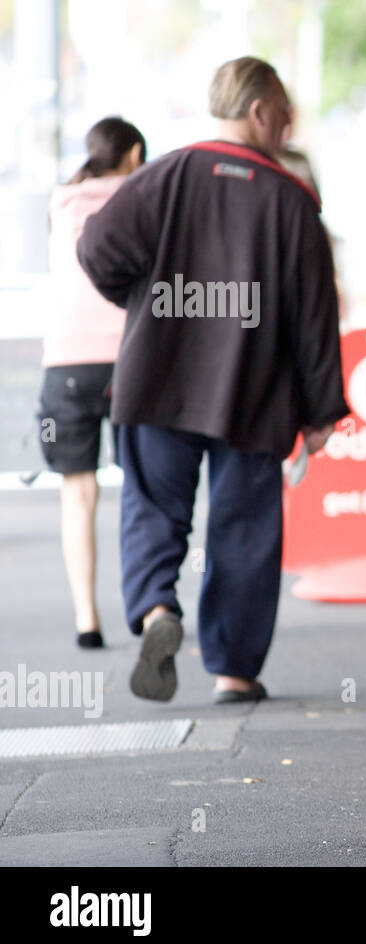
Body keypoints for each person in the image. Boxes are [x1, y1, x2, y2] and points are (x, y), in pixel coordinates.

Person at [78, 56, 348, 704]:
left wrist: (148, 303)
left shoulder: (164, 175)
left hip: (157, 378)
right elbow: (315, 317)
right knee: (245, 527)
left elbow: (96, 250)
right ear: (260, 111)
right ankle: (233, 669)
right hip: (253, 394)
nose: (288, 125)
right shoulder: (291, 198)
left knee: (152, 507)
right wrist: (319, 414)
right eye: (285, 112)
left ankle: (155, 612)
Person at [39, 116, 146, 649]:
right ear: (134, 155)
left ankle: (87, 618)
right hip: (132, 358)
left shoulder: (61, 203)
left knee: (77, 492)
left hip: (68, 364)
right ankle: (149, 610)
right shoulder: (141, 196)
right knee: (143, 488)